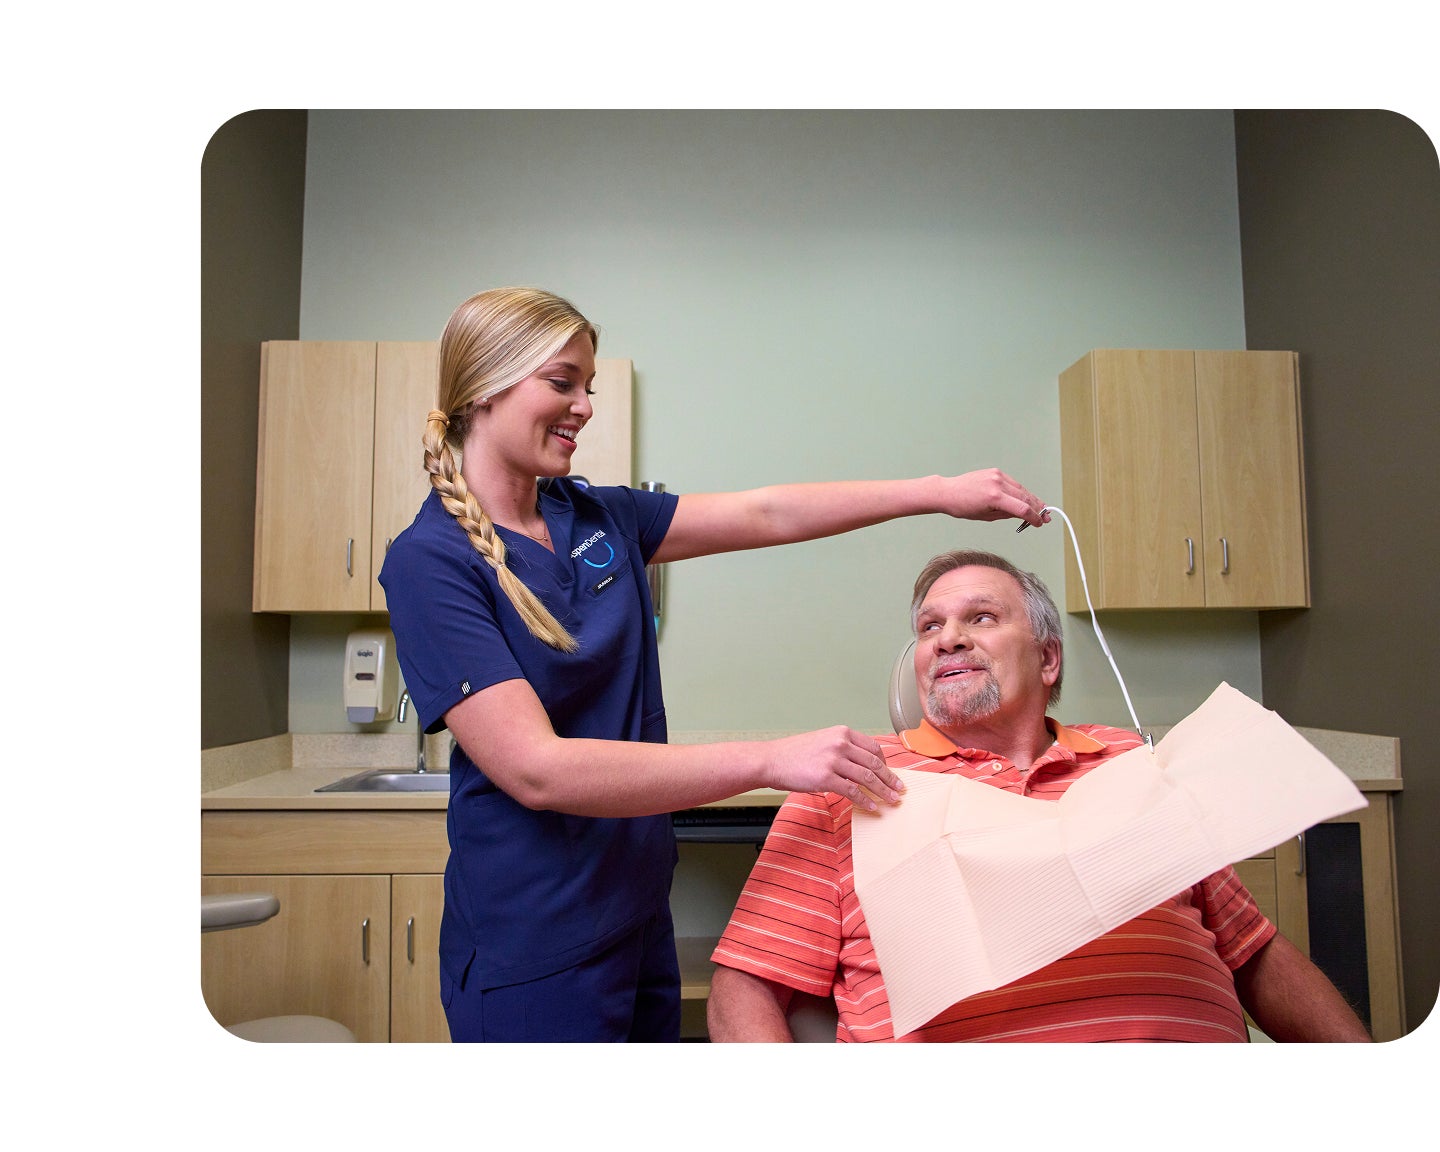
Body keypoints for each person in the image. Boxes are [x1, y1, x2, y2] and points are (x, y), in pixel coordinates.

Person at [378, 288, 1050, 1042]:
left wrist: (938, 493)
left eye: (589, 388)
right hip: (535, 934)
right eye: (562, 382)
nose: (586, 406)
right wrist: (770, 758)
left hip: (634, 909)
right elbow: (537, 769)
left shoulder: (593, 516)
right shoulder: (431, 561)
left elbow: (767, 513)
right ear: (484, 387)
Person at [707, 548, 1373, 1042]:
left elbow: (1253, 950)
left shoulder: (1127, 760)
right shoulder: (855, 780)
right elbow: (747, 984)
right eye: (929, 627)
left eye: (981, 617)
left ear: (1048, 659)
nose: (948, 638)